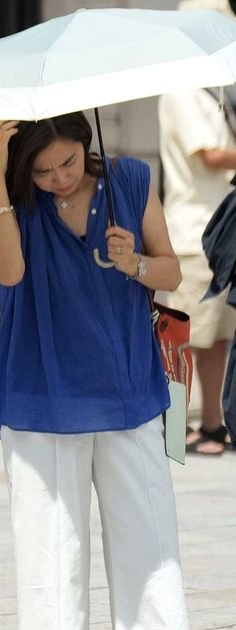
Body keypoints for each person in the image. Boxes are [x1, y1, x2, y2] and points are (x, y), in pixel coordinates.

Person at [0, 113, 189, 628]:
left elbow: (172, 270)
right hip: (40, 399)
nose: (60, 178)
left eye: (68, 161)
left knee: (152, 559)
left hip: (130, 392)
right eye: (43, 171)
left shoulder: (130, 181)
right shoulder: (11, 202)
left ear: (84, 142)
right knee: (50, 568)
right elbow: (9, 271)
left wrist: (134, 262)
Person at [158, 0, 236, 456]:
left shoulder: (213, 90)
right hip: (192, 238)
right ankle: (169, 434)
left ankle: (211, 427)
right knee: (182, 342)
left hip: (217, 234)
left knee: (215, 339)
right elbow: (209, 155)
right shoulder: (182, 90)